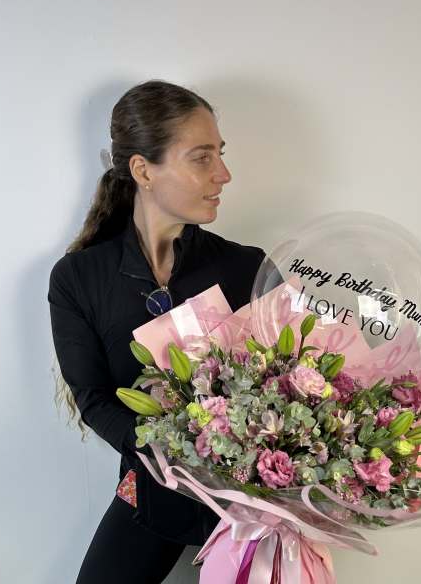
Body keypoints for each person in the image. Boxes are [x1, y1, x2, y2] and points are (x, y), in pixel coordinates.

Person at [47, 80, 268, 583]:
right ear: (143, 170)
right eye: (202, 157)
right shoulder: (79, 278)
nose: (223, 174)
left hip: (255, 496)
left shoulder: (246, 268)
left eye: (221, 154)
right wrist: (168, 456)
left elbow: (293, 379)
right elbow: (93, 399)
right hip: (151, 482)